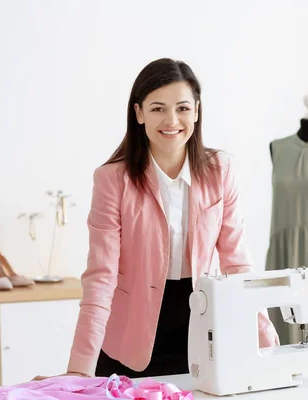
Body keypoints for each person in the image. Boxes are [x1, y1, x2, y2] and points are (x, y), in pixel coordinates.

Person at [35, 58, 280, 380]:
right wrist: (78, 369)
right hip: (131, 341)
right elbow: (101, 276)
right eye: (157, 108)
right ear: (139, 113)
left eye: (182, 108)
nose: (171, 120)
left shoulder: (221, 169)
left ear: (196, 111)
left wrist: (267, 340)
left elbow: (236, 262)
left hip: (203, 334)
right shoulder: (113, 179)